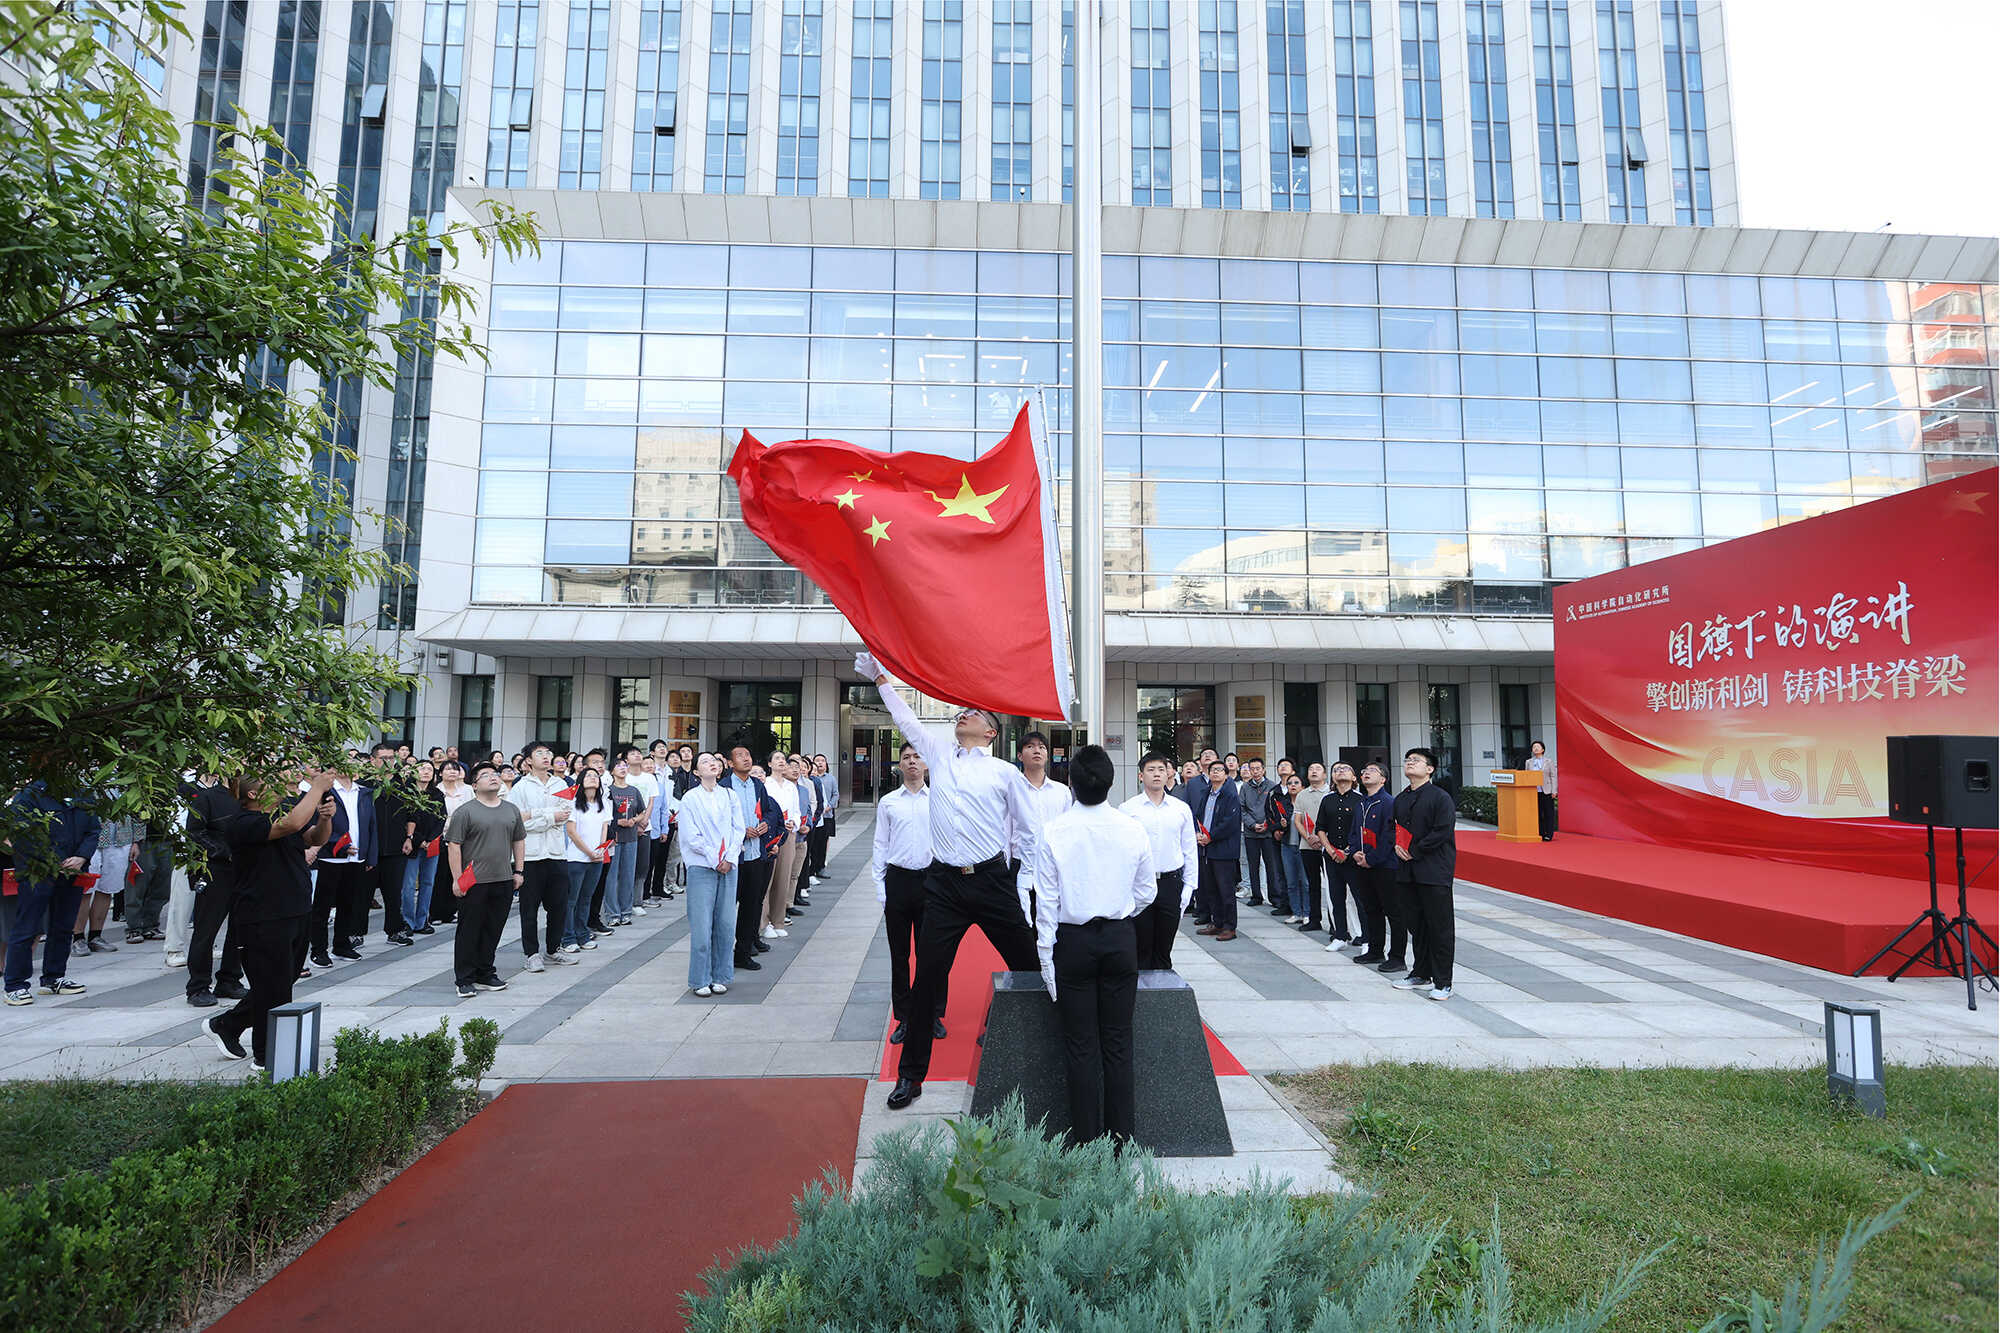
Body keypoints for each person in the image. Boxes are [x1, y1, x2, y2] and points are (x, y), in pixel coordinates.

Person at [858, 651, 1044, 1111]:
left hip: (992, 882)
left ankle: (1050, 1052)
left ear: (991, 732)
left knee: (1029, 965)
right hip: (943, 885)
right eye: (962, 711)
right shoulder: (939, 754)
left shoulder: (1005, 773)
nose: (963, 714)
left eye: (973, 713)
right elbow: (905, 719)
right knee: (927, 979)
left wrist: (1023, 885)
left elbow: (1029, 833)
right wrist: (880, 679)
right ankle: (911, 1075)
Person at [1033, 745, 1155, 1148]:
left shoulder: (1054, 830)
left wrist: (1046, 957)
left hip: (1073, 941)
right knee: (1119, 1044)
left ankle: (1086, 1145)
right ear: (1111, 783)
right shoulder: (1132, 828)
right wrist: (1118, 909)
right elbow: (1147, 892)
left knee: (1080, 1046)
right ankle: (1121, 1143)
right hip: (1119, 937)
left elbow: (1046, 903)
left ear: (1070, 782)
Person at [203, 771, 336, 1065]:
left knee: (281, 982)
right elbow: (291, 824)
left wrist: (325, 819)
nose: (280, 788)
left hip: (296, 908)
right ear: (253, 794)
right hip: (263, 915)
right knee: (272, 989)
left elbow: (313, 837)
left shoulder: (281, 815)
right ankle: (266, 1058)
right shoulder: (244, 823)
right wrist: (315, 789)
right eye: (271, 784)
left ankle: (228, 1025)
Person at [4, 780, 100, 1005]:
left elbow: (93, 829)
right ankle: (15, 985)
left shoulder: (82, 792)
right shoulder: (30, 795)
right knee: (27, 927)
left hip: (73, 870)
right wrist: (53, 862)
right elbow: (22, 835)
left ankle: (54, 977)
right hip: (39, 872)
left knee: (63, 926)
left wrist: (82, 857)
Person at [874, 742, 944, 1044]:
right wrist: (881, 887)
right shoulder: (888, 802)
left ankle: (933, 1014)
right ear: (900, 765)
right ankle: (903, 1017)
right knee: (900, 954)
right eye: (906, 757)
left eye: (917, 757)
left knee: (933, 954)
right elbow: (880, 844)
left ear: (926, 764)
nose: (912, 761)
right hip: (899, 880)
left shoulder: (939, 799)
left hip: (932, 881)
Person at [444, 762, 526, 999]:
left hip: (503, 878)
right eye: (486, 775)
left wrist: (519, 871)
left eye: (495, 774)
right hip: (473, 881)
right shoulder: (465, 811)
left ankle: (485, 973)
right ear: (474, 784)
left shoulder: (511, 810)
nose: (493, 777)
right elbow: (454, 846)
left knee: (493, 929)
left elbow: (519, 840)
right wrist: (457, 879)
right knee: (469, 930)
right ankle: (464, 978)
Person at [1119, 750, 1197, 971]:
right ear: (1140, 775)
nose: (1156, 774)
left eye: (1161, 769)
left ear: (1168, 774)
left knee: (1164, 947)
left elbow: (1189, 849)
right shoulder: (1128, 809)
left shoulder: (1180, 809)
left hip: (1170, 883)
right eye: (1151, 769)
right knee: (1141, 946)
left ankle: (1164, 988)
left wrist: (1189, 886)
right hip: (1139, 884)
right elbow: (1122, 852)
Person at [1393, 748, 1459, 1001]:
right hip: (1407, 871)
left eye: (1416, 760)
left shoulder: (1440, 798)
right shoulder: (1401, 798)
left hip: (1434, 871)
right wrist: (1396, 846)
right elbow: (1393, 828)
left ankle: (1443, 982)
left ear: (1430, 769)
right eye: (1408, 760)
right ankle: (1421, 973)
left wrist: (1415, 850)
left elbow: (1442, 831)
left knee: (1439, 928)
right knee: (1416, 926)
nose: (1410, 763)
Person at [671, 753, 739, 997]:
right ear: (697, 772)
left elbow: (738, 828)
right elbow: (691, 836)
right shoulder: (690, 798)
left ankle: (721, 975)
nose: (712, 763)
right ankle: (700, 978)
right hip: (701, 866)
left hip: (728, 866)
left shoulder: (729, 795)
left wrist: (729, 857)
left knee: (725, 924)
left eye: (714, 760)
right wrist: (714, 858)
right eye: (705, 761)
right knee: (701, 925)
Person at [507, 741, 577, 973]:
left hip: (556, 853)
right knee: (529, 908)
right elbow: (518, 821)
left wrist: (536, 815)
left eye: (548, 753)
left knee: (558, 906)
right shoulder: (520, 787)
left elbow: (565, 814)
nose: (546, 757)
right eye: (540, 753)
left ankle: (553, 948)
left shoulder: (561, 783)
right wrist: (549, 816)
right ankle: (531, 953)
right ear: (528, 760)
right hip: (530, 856)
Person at [721, 743, 778, 973]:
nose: (746, 758)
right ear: (730, 763)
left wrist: (766, 824)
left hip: (755, 855)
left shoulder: (757, 785)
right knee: (727, 908)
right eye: (740, 756)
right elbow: (719, 820)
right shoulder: (724, 786)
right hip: (734, 858)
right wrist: (741, 831)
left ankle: (743, 953)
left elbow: (770, 811)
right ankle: (722, 954)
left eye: (748, 755)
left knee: (751, 906)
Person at [313, 768, 377, 965]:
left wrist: (371, 856)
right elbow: (319, 822)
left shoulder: (364, 792)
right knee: (323, 906)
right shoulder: (327, 791)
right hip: (331, 858)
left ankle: (341, 945)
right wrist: (340, 846)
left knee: (349, 904)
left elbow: (371, 825)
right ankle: (318, 950)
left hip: (356, 858)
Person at [1345, 763, 1398, 968]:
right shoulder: (1361, 803)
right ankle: (1375, 951)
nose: (1366, 773)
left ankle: (1397, 957)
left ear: (1383, 779)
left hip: (1385, 865)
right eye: (1364, 771)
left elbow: (1389, 836)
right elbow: (1354, 831)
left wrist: (1372, 858)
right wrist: (1356, 852)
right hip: (1362, 863)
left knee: (1393, 912)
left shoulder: (1388, 802)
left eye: (1372, 771)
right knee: (1371, 909)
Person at [561, 768, 614, 952]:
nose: (593, 778)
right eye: (589, 775)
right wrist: (589, 852)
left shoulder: (603, 803)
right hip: (576, 858)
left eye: (595, 776)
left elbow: (604, 829)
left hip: (596, 859)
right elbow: (571, 832)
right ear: (581, 781)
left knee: (586, 898)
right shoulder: (573, 803)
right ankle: (568, 938)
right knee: (571, 900)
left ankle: (582, 934)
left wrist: (600, 850)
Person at [1192, 758, 1241, 941]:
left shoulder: (1230, 795)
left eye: (1220, 770)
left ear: (1226, 775)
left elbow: (1230, 823)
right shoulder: (1206, 793)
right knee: (1211, 889)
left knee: (1226, 890)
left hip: (1224, 849)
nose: (1215, 772)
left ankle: (1229, 927)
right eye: (1213, 770)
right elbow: (1198, 816)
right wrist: (1198, 833)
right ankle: (1217, 922)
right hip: (1207, 848)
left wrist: (1210, 836)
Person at [1315, 764, 1363, 949]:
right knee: (1336, 897)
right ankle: (1340, 936)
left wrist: (1347, 851)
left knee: (1360, 898)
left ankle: (1366, 938)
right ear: (1333, 778)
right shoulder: (1327, 800)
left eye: (1345, 769)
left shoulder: (1361, 800)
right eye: (1336, 770)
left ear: (1354, 777)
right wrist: (1330, 850)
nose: (1340, 771)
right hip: (1331, 856)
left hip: (1354, 856)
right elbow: (1320, 828)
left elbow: (1362, 830)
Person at [761, 750, 802, 937]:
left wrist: (794, 822)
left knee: (783, 878)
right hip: (770, 835)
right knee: (767, 879)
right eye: (776, 758)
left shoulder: (790, 787)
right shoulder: (765, 784)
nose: (781, 761)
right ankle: (764, 923)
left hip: (788, 834)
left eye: (783, 759)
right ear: (769, 764)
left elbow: (796, 811)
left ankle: (778, 921)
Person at [403, 760, 444, 936]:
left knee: (428, 882)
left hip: (432, 844)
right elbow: (405, 819)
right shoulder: (406, 792)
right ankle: (407, 921)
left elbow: (441, 818)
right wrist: (419, 841)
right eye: (422, 768)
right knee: (408, 884)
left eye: (429, 769)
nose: (426, 771)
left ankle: (422, 920)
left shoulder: (437, 794)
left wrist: (430, 840)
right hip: (411, 844)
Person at [429, 760, 473, 925]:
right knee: (439, 875)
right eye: (448, 769)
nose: (452, 772)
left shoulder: (467, 791)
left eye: (455, 769)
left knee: (456, 874)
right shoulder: (436, 791)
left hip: (462, 837)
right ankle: (435, 913)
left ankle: (451, 911)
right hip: (441, 837)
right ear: (440, 773)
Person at [1236, 758, 1280, 908]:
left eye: (1258, 768)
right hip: (1251, 832)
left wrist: (1267, 824)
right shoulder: (1245, 787)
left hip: (1268, 833)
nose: (1255, 772)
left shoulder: (1272, 786)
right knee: (1252, 865)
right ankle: (1256, 895)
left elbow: (1275, 808)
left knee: (1271, 865)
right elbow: (1242, 809)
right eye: (1252, 769)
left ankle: (1275, 896)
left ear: (1263, 769)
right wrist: (1253, 824)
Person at [1294, 763, 1331, 935]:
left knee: (1331, 886)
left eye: (1317, 769)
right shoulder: (1302, 794)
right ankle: (1314, 919)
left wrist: (1322, 839)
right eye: (1310, 769)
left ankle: (1335, 923)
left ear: (1325, 774)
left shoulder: (1331, 793)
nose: (1314, 771)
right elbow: (1297, 821)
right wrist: (1308, 837)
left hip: (1328, 846)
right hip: (1307, 845)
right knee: (1312, 884)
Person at [1274, 775, 1308, 924]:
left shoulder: (1306, 803)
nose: (1292, 785)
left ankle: (1307, 912)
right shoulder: (1284, 804)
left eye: (1296, 782)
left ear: (1302, 786)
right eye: (1289, 783)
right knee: (1291, 881)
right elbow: (1276, 824)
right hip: (1287, 845)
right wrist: (1281, 825)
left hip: (1304, 846)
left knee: (1305, 882)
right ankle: (1296, 912)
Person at [1527, 740, 1557, 841]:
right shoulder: (1529, 762)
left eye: (1538, 747)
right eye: (1534, 747)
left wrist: (1554, 791)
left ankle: (1549, 834)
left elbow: (1553, 776)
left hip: (1547, 790)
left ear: (1543, 749)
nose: (1535, 748)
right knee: (1538, 813)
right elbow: (1526, 776)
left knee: (1548, 813)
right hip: (1534, 791)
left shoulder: (1549, 761)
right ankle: (1541, 833)